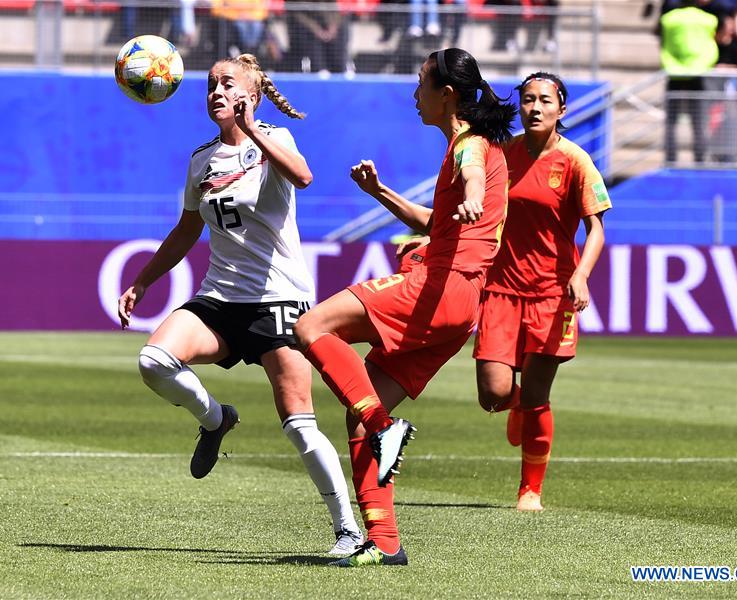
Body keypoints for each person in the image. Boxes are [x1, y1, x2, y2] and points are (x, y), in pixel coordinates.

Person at [117, 54, 363, 555]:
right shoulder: (201, 159)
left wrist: (254, 131)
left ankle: (348, 529)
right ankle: (215, 419)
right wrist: (142, 280)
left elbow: (304, 176)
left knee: (298, 423)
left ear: (250, 92)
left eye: (226, 83)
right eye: (209, 85)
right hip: (220, 298)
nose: (215, 91)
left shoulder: (275, 140)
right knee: (153, 360)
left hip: (278, 300)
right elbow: (188, 229)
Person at [294, 48, 515, 567]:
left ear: (448, 94)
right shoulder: (474, 148)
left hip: (437, 286)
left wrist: (474, 196)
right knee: (359, 408)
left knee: (311, 327)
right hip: (461, 308)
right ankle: (386, 541)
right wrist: (379, 192)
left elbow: (473, 172)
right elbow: (437, 220)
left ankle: (384, 429)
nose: (414, 94)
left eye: (421, 84)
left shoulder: (470, 146)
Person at [473, 72, 611, 512]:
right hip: (500, 288)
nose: (535, 108)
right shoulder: (503, 155)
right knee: (493, 394)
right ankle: (516, 407)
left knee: (537, 395)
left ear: (561, 110)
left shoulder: (575, 161)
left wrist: (582, 274)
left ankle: (530, 489)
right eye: (528, 99)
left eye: (545, 101)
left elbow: (596, 230)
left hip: (553, 295)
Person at [659, 0, 720, 163]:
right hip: (698, 75)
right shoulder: (709, 19)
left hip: (674, 74)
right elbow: (711, 48)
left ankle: (670, 160)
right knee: (699, 121)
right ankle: (700, 160)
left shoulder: (668, 19)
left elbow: (664, 45)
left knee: (671, 122)